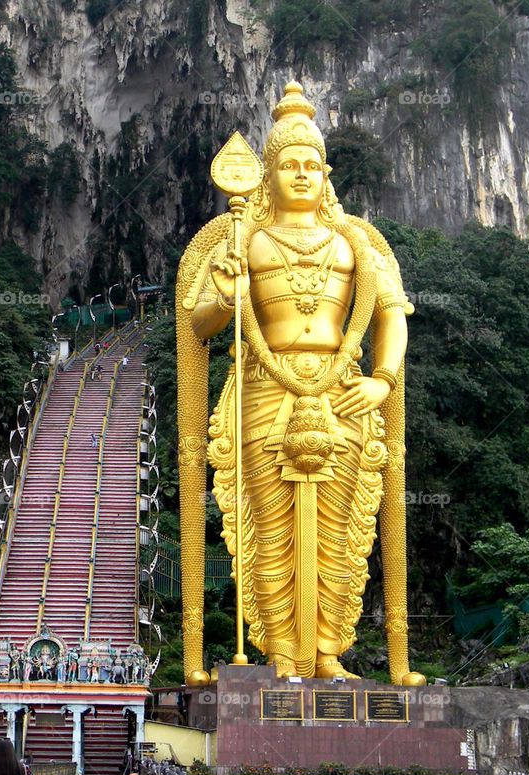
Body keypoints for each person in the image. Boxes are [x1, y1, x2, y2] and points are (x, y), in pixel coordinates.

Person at [176, 82, 422, 684]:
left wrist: (384, 381)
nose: (302, 174)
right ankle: (282, 653)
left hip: (343, 389)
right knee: (271, 525)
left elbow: (390, 314)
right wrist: (227, 294)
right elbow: (199, 321)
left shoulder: (356, 242)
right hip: (264, 385)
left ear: (327, 172)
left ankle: (329, 651)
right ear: (268, 173)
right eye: (289, 164)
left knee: (341, 529)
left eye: (312, 164)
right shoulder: (242, 238)